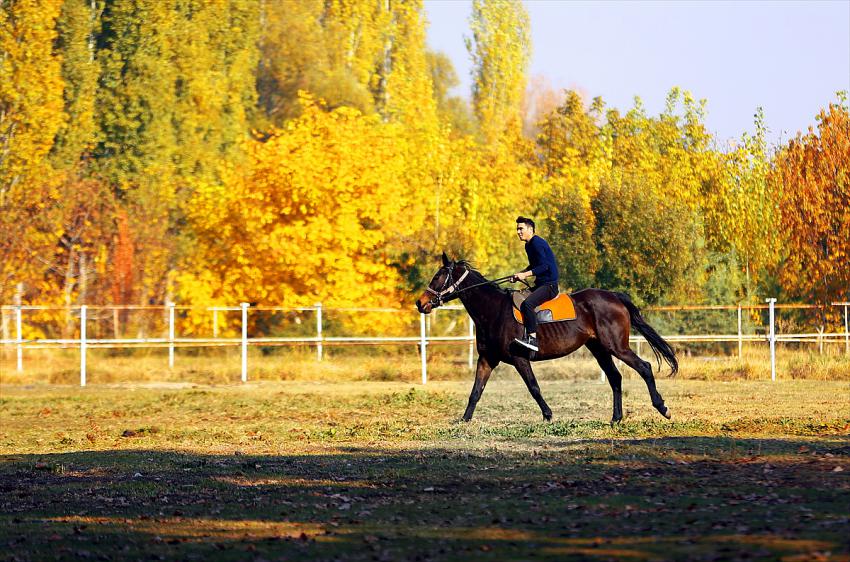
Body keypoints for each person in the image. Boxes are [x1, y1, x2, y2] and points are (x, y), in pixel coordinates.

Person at [512, 216, 559, 352]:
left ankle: (532, 339)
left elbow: (544, 266)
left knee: (527, 304)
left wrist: (525, 275)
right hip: (540, 285)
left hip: (549, 286)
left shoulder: (537, 243)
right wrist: (518, 274)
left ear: (530, 229)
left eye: (521, 229)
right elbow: (534, 265)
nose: (518, 232)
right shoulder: (529, 245)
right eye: (517, 229)